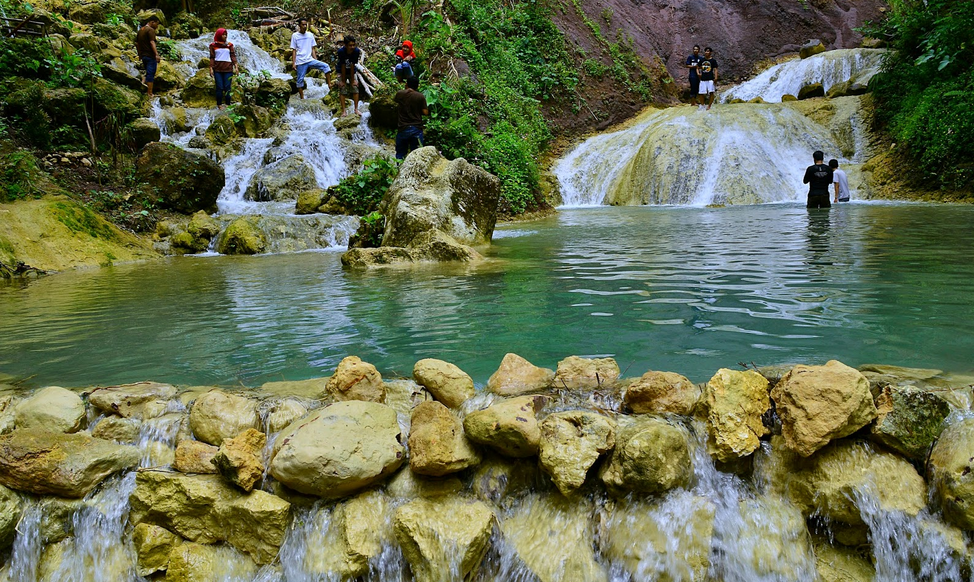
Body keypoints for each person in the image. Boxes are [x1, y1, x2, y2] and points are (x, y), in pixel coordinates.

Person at [290, 18, 333, 100]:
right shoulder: (295, 36)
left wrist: (315, 59)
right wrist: (293, 63)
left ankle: (329, 84)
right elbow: (294, 50)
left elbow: (313, 48)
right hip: (300, 61)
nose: (305, 26)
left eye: (306, 24)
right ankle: (302, 98)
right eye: (303, 24)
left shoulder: (310, 35)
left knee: (326, 66)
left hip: (310, 60)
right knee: (300, 81)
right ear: (299, 25)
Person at [394, 76, 428, 159]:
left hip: (403, 128)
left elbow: (394, 103)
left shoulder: (400, 94)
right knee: (416, 156)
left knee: (400, 154)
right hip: (416, 128)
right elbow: (425, 112)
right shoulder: (420, 96)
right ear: (417, 86)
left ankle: (399, 170)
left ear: (406, 84)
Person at [209, 28, 238, 109]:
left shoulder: (229, 45)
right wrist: (211, 68)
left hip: (228, 69)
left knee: (227, 87)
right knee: (219, 87)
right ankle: (219, 104)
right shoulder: (213, 46)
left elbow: (232, 56)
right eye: (223, 35)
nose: (225, 36)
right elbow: (212, 57)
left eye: (226, 35)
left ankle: (228, 104)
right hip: (217, 69)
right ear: (219, 35)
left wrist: (236, 66)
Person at [136, 15, 161, 98]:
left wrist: (140, 55)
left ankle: (142, 86)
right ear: (152, 22)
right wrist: (156, 54)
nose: (157, 26)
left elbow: (137, 44)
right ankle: (149, 93)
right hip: (150, 56)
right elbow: (152, 42)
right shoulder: (150, 30)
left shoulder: (141, 30)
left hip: (144, 56)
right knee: (151, 74)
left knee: (147, 72)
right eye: (156, 24)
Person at [336, 36, 362, 116]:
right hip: (341, 70)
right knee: (342, 88)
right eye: (350, 45)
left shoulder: (356, 51)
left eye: (353, 45)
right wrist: (343, 81)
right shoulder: (341, 51)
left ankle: (356, 109)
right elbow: (343, 66)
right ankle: (344, 111)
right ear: (345, 45)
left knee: (355, 88)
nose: (352, 47)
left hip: (351, 70)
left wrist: (352, 80)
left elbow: (352, 65)